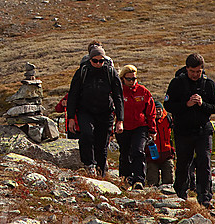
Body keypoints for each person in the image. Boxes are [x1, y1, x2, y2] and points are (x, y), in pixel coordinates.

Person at [164, 53, 215, 208]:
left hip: (203, 130)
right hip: (183, 131)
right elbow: (168, 106)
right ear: (186, 69)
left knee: (205, 162)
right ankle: (180, 194)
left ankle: (205, 198)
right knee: (183, 163)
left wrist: (202, 104)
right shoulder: (177, 83)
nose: (195, 75)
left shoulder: (209, 84)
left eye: (198, 71)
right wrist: (186, 105)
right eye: (192, 71)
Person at [66, 44, 124, 176]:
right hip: (85, 111)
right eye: (95, 61)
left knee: (102, 144)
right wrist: (71, 118)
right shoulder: (82, 72)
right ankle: (89, 164)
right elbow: (73, 95)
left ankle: (101, 172)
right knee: (86, 134)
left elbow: (118, 97)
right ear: (90, 59)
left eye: (101, 61)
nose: (98, 63)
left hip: (106, 113)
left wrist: (120, 120)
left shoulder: (110, 72)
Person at [115, 65, 156, 189]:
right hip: (123, 127)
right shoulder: (117, 92)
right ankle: (125, 179)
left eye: (134, 79)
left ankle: (139, 180)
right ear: (123, 79)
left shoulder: (143, 91)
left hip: (140, 126)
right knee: (125, 153)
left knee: (138, 151)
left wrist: (152, 129)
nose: (132, 82)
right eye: (129, 79)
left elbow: (151, 111)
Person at [146, 103, 175, 187]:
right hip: (152, 157)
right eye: (156, 109)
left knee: (169, 182)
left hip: (167, 155)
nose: (158, 112)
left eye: (160, 109)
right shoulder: (148, 121)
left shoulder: (168, 120)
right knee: (152, 183)